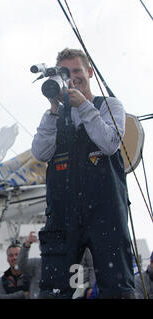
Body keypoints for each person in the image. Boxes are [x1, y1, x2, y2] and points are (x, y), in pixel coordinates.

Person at [31, 48, 135, 298]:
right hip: (62, 215)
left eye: (77, 71)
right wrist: (55, 110)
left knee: (117, 287)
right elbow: (41, 153)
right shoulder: (56, 116)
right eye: (66, 72)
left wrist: (84, 106)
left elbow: (109, 143)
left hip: (105, 213)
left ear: (89, 72)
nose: (72, 77)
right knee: (54, 290)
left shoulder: (109, 105)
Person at [16, 231, 96, 299]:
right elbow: (21, 265)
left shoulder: (76, 260)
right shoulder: (37, 263)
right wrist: (26, 245)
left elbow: (92, 267)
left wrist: (91, 288)